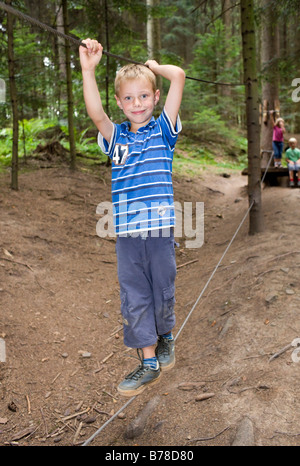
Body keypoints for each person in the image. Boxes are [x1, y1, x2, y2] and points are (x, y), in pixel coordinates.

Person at [79, 39, 185, 396]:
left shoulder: (163, 131)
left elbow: (179, 76)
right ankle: (148, 362)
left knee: (162, 288)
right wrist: (88, 70)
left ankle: (166, 335)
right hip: (127, 235)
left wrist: (153, 68)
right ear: (120, 103)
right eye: (128, 98)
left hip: (158, 230)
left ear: (155, 99)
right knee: (134, 295)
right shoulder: (116, 138)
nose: (136, 104)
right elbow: (96, 113)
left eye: (143, 96)